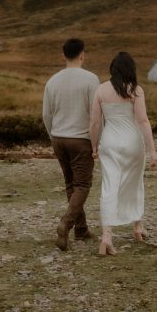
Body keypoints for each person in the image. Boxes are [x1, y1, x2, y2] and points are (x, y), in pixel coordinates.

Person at [89, 51, 157, 256]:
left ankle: (107, 236)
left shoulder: (101, 90)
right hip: (132, 142)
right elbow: (143, 121)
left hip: (109, 142)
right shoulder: (135, 90)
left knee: (109, 186)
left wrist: (94, 146)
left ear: (113, 69)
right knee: (135, 183)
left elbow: (94, 123)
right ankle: (137, 227)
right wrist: (152, 151)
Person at [43, 37, 100, 251]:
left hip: (58, 137)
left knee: (71, 185)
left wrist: (53, 135)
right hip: (81, 139)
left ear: (63, 56)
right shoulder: (91, 79)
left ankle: (81, 229)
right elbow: (95, 115)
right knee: (82, 185)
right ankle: (66, 224)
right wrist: (97, 142)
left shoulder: (52, 81)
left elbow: (46, 114)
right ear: (82, 54)